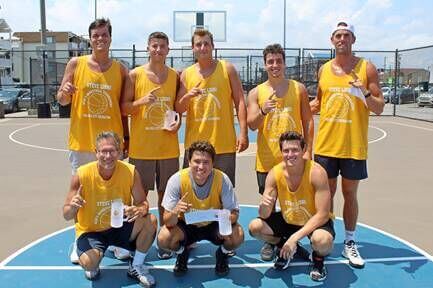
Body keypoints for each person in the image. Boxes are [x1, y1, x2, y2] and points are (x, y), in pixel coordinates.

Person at [310, 21, 384, 268]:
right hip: (326, 146)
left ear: (353, 39)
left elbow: (380, 108)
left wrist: (363, 91)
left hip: (353, 146)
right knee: (325, 194)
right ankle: (326, 236)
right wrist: (291, 107)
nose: (342, 39)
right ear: (332, 40)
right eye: (338, 35)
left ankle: (349, 242)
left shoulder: (367, 68)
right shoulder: (323, 70)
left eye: (347, 35)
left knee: (349, 194)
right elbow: (318, 103)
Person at [56, 18, 132, 263]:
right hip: (82, 141)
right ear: (90, 39)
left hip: (111, 144)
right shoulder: (76, 64)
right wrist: (64, 94)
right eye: (96, 35)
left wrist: (126, 137)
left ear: (110, 38)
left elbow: (122, 109)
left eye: (104, 35)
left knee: (116, 192)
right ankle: (80, 239)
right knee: (81, 193)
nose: (100, 39)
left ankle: (118, 240)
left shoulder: (120, 69)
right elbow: (62, 99)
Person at [62, 132, 157, 286]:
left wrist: (139, 209)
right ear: (96, 152)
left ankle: (136, 266)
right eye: (103, 151)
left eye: (112, 151)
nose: (108, 156)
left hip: (119, 225)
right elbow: (66, 214)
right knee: (89, 264)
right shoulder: (82, 175)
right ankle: (86, 250)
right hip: (92, 231)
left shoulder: (130, 171)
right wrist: (73, 207)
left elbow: (143, 203)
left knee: (150, 221)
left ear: (119, 152)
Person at [247, 43, 314, 261]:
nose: (275, 65)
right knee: (269, 204)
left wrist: (308, 151)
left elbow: (308, 120)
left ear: (284, 63)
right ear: (265, 65)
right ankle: (272, 241)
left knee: (296, 202)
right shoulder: (257, 92)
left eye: (278, 61)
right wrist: (264, 110)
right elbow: (252, 124)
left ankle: (293, 240)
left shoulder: (299, 89)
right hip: (267, 160)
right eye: (270, 61)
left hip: (295, 158)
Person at [121, 31, 180, 259]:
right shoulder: (135, 75)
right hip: (142, 149)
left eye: (162, 46)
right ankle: (137, 240)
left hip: (167, 149)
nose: (158, 49)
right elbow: (124, 108)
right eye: (154, 46)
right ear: (148, 48)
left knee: (167, 197)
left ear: (168, 50)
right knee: (139, 198)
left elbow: (177, 110)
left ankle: (165, 242)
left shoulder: (175, 76)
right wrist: (141, 101)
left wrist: (177, 123)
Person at [248, 131, 334, 281]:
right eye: (286, 151)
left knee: (322, 241)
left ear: (303, 150)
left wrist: (294, 238)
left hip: (313, 221)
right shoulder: (275, 173)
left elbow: (323, 214)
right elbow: (264, 215)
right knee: (255, 227)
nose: (290, 154)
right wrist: (264, 206)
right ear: (281, 152)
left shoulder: (316, 173)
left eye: (295, 150)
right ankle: (284, 247)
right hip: (289, 219)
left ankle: (318, 260)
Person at [157, 141, 244, 277]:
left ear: (213, 163)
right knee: (163, 238)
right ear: (189, 161)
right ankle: (182, 253)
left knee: (237, 235)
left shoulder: (222, 179)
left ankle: (221, 254)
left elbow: (234, 213)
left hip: (213, 225)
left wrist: (224, 223)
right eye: (197, 161)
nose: (201, 167)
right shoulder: (176, 180)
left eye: (206, 162)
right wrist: (175, 211)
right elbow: (167, 221)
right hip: (186, 226)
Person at [175, 28, 249, 187]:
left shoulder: (227, 69)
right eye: (198, 44)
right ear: (192, 48)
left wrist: (243, 132)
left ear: (213, 46)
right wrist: (188, 96)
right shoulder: (186, 74)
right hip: (195, 146)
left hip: (223, 144)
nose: (202, 48)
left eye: (206, 44)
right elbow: (179, 108)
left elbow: (240, 101)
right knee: (191, 193)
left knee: (223, 193)